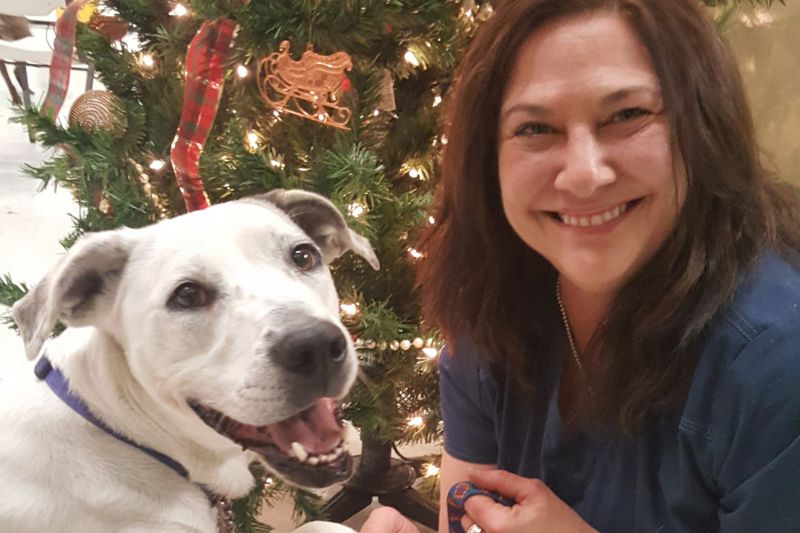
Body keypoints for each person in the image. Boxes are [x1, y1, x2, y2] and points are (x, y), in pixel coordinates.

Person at [360, 0, 800, 531]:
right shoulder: (487, 301)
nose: (584, 175)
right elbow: (470, 512)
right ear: (486, 157)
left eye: (626, 115)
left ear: (701, 127)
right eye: (535, 128)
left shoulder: (775, 363)